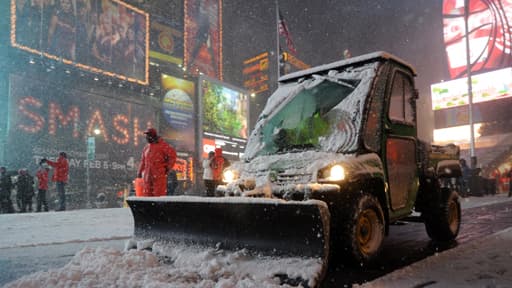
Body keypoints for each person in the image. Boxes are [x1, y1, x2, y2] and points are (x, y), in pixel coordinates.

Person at [137, 128, 177, 197]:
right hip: (148, 175)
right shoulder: (146, 148)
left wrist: (167, 167)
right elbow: (143, 161)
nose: (146, 138)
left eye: (147, 135)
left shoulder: (163, 145)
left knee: (158, 195)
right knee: (147, 195)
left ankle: (157, 207)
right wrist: (140, 172)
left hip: (159, 174)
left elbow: (172, 156)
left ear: (152, 136)